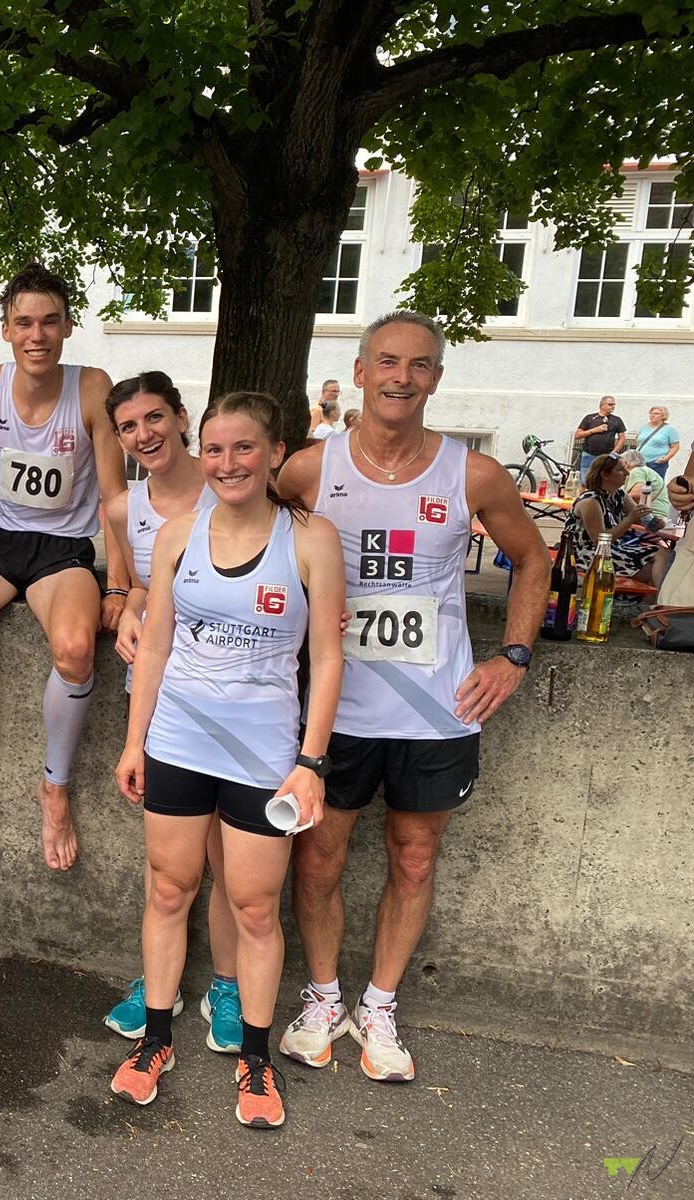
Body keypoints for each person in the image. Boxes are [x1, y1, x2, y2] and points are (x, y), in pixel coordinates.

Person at [275, 310, 547, 1084]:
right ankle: (323, 997)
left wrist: (514, 657)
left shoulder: (472, 474)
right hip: (335, 709)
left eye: (419, 365)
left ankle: (380, 1005)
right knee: (317, 858)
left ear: (436, 378)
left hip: (437, 710)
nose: (402, 377)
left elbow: (532, 560)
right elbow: (248, 544)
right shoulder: (307, 470)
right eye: (388, 362)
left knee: (416, 857)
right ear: (360, 373)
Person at [112, 390, 344, 1128]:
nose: (228, 462)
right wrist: (134, 741)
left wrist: (311, 762)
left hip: (263, 753)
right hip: (178, 740)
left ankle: (255, 1056)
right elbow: (155, 644)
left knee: (253, 907)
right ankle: (155, 1041)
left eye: (245, 447)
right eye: (214, 449)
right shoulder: (178, 534)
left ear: (276, 453)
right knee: (169, 890)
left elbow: (328, 659)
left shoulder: (311, 539)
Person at [0, 262, 132, 871]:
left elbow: (115, 497)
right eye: (24, 323)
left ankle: (54, 787)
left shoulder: (91, 387)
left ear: (68, 327)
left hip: (63, 552)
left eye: (50, 322)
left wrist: (120, 586)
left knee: (76, 649)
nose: (37, 335)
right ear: (6, 329)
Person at [98, 372, 241, 1053]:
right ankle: (160, 981)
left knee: (227, 857)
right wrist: (128, 612)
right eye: (128, 427)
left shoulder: (230, 484)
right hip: (161, 693)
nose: (144, 434)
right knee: (168, 863)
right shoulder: (124, 507)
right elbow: (138, 588)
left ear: (182, 417)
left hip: (236, 694)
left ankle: (228, 986)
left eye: (154, 417)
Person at [562, 453, 671, 585]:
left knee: (664, 553)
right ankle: (658, 596)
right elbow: (600, 541)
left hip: (613, 549)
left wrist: (655, 523)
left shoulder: (619, 494)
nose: (627, 473)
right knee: (653, 570)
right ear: (605, 475)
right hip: (587, 554)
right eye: (620, 470)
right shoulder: (590, 501)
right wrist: (629, 519)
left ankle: (658, 596)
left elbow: (643, 519)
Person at [575, 395, 626, 475]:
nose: (613, 407)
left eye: (614, 405)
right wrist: (595, 430)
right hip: (589, 454)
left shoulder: (617, 420)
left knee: (604, 477)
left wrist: (614, 452)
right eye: (610, 404)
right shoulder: (590, 418)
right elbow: (577, 435)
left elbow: (622, 438)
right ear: (602, 405)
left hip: (606, 456)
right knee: (586, 478)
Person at [621, 448, 671, 524]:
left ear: (627, 464)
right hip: (658, 518)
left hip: (649, 519)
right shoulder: (648, 471)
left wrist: (616, 498)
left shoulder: (637, 471)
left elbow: (638, 494)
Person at [635, 405, 680, 479]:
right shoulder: (644, 427)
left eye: (656, 414)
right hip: (640, 462)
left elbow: (675, 447)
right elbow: (638, 442)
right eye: (651, 413)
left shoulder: (669, 429)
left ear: (663, 416)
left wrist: (665, 458)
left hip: (656, 464)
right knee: (639, 482)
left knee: (655, 484)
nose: (653, 415)